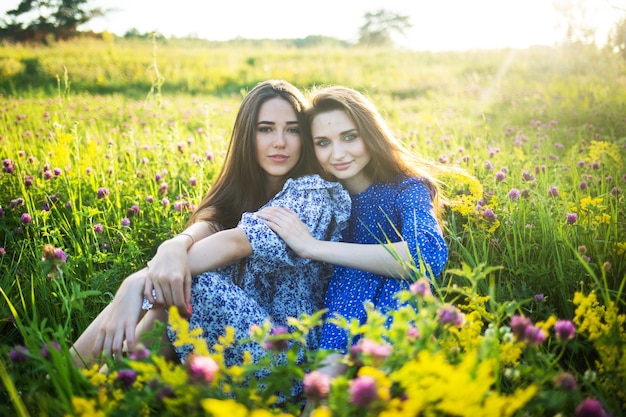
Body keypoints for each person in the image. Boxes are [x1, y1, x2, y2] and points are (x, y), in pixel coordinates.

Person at [71, 80, 351, 369]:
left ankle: (95, 396)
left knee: (184, 289)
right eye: (265, 129)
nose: (279, 141)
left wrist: (138, 283)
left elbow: (233, 243)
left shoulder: (313, 194)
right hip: (235, 338)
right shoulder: (244, 194)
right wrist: (176, 244)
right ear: (247, 135)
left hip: (285, 355)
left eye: (292, 130)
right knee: (172, 290)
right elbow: (212, 225)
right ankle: (59, 384)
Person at [257, 85, 448, 378]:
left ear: (370, 135)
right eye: (323, 143)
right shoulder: (316, 196)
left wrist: (313, 247)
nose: (338, 153)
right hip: (327, 320)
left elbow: (427, 256)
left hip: (396, 318)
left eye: (349, 137)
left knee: (368, 276)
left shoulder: (406, 190)